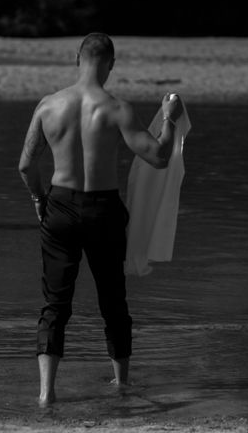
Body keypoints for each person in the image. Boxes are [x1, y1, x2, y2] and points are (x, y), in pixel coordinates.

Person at [18, 32, 183, 407]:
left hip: (59, 207)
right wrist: (170, 119)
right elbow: (158, 156)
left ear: (77, 59)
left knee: (55, 304)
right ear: (110, 64)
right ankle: (122, 387)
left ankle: (46, 394)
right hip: (103, 210)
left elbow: (26, 164)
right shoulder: (117, 108)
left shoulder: (48, 106)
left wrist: (38, 199)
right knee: (113, 300)